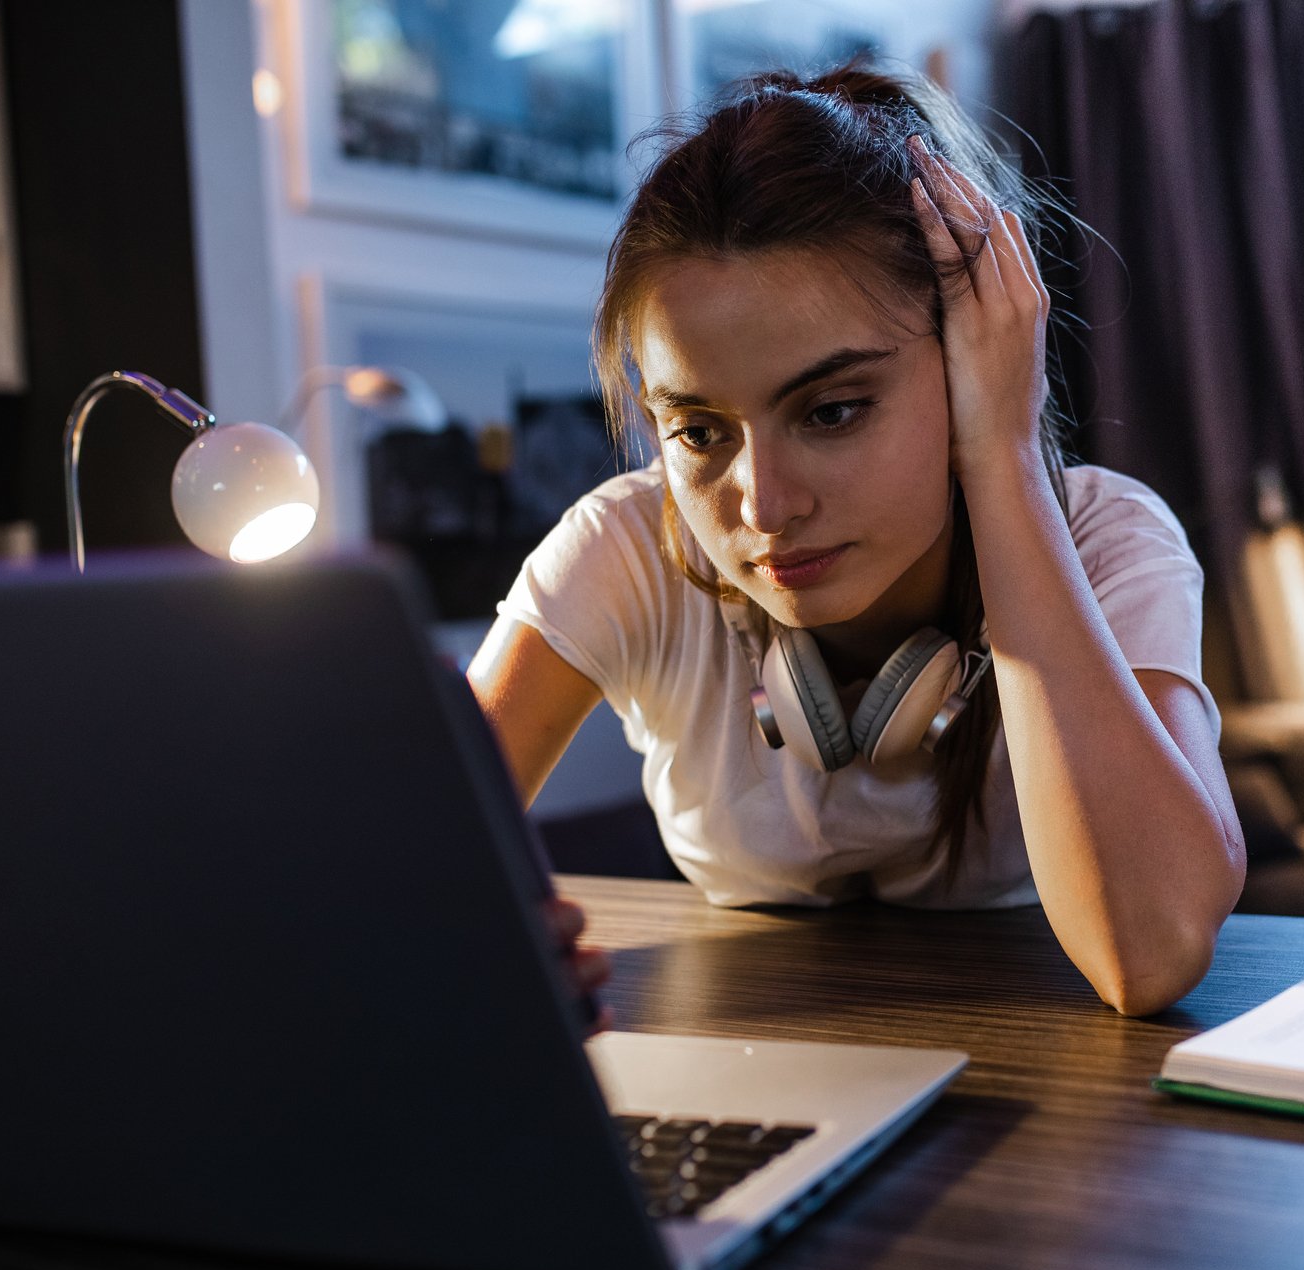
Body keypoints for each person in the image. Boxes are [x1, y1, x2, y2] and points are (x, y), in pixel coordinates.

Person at [469, 62, 1246, 1016]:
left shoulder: (1104, 538)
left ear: (971, 367)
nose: (762, 507)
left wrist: (1000, 452)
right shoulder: (627, 548)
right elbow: (388, 863)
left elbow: (1152, 953)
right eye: (700, 432)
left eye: (832, 411)